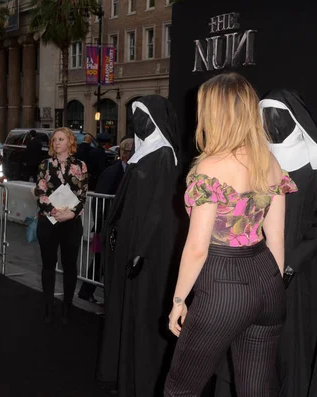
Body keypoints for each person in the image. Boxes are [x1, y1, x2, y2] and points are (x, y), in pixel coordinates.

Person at [164, 73, 298, 396]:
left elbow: (197, 247)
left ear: (215, 113)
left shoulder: (209, 167)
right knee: (255, 391)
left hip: (224, 285)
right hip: (268, 280)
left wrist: (179, 300)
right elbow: (276, 237)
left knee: (180, 390)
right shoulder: (271, 163)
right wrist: (270, 286)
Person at [97, 95, 182, 396]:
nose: (138, 124)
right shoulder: (141, 155)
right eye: (135, 119)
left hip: (146, 253)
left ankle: (142, 381)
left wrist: (141, 250)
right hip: (129, 249)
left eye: (143, 117)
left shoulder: (162, 155)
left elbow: (159, 210)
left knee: (143, 313)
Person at [260, 90, 317, 397]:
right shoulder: (259, 162)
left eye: (278, 118)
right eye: (266, 118)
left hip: (301, 271)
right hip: (258, 265)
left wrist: (293, 261)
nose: (272, 126)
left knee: (292, 342)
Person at [34, 127, 88, 324]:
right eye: (54, 139)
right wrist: (54, 211)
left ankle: (67, 307)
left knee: (70, 266)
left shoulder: (80, 165)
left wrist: (71, 214)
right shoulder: (45, 165)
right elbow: (39, 192)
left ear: (70, 142)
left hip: (71, 223)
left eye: (61, 139)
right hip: (49, 221)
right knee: (48, 265)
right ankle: (48, 307)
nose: (56, 142)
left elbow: (83, 193)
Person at [77, 137, 134, 304]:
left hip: (121, 226)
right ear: (124, 154)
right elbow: (99, 201)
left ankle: (88, 292)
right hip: (107, 225)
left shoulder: (132, 172)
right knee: (100, 261)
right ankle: (87, 292)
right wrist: (102, 226)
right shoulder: (112, 172)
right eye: (132, 151)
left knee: (103, 262)